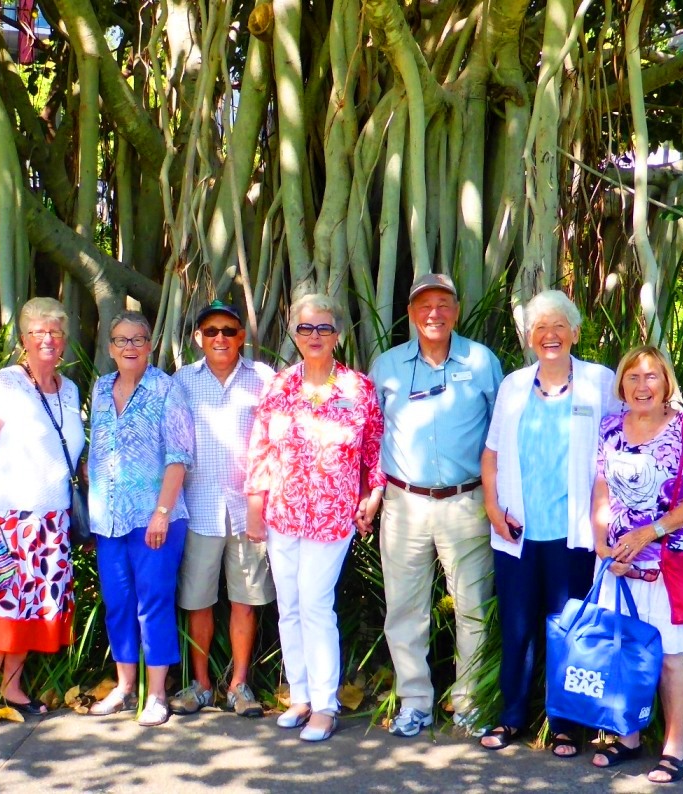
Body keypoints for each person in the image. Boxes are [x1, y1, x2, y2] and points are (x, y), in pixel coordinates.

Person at [478, 290, 621, 754]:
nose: (550, 335)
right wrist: (493, 510)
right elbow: (492, 453)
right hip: (517, 532)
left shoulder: (599, 382)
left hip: (575, 533)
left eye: (559, 326)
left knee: (567, 628)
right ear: (530, 338)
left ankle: (564, 724)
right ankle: (511, 717)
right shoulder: (514, 386)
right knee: (517, 629)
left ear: (575, 333)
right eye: (541, 328)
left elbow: (623, 445)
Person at [245, 294, 385, 742]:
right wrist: (254, 505)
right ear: (294, 334)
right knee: (289, 604)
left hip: (331, 515)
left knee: (315, 601)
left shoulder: (358, 388)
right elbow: (261, 448)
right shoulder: (280, 386)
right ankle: (300, 696)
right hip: (282, 512)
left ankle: (325, 704)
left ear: (338, 335)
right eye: (306, 328)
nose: (315, 336)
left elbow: (374, 450)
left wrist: (374, 492)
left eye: (324, 328)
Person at [369, 273, 502, 738]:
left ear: (457, 310)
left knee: (473, 606)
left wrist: (498, 498)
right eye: (424, 304)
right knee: (404, 608)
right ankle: (415, 701)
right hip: (403, 503)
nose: (434, 313)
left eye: (444, 303)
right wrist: (373, 494)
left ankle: (470, 701)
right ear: (410, 313)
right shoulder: (386, 365)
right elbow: (372, 436)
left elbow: (501, 433)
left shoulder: (481, 361)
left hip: (466, 502)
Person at [0, 298, 82, 731]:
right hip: (8, 519)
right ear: (24, 338)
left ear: (65, 340)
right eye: (38, 331)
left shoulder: (70, 389)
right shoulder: (7, 383)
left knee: (29, 609)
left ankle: (13, 687)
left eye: (56, 332)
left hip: (52, 522)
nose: (48, 339)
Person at [590, 345, 683, 784]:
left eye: (651, 377)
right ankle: (628, 737)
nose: (642, 386)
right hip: (620, 562)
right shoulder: (610, 427)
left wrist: (649, 532)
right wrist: (602, 543)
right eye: (633, 378)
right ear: (621, 385)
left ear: (666, 384)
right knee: (623, 650)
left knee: (668, 657)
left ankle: (674, 745)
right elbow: (602, 491)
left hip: (669, 563)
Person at [86, 311, 196, 727]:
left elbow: (179, 456)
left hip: (155, 519)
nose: (129, 347)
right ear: (110, 347)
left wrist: (162, 512)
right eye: (121, 340)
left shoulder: (166, 389)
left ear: (150, 345)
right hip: (108, 519)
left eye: (138, 339)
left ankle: (157, 694)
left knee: (153, 604)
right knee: (118, 603)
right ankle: (125, 686)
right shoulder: (99, 389)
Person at [170, 301, 276, 718]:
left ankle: (239, 685)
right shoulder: (181, 382)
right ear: (198, 337)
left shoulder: (263, 379)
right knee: (197, 600)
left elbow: (274, 443)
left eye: (229, 330)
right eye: (211, 330)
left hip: (249, 509)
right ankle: (200, 685)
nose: (220, 338)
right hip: (198, 508)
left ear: (241, 336)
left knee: (245, 601)